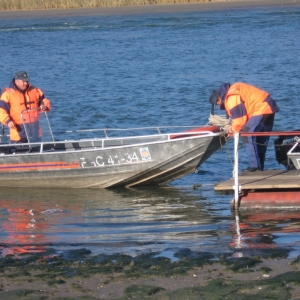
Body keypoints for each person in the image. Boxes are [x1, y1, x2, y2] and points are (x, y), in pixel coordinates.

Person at [209, 82, 279, 172]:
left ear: (219, 98)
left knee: (247, 133)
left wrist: (232, 129)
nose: (218, 105)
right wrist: (234, 125)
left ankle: (254, 166)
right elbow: (243, 115)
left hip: (262, 107)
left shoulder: (231, 98)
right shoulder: (233, 91)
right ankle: (259, 166)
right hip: (269, 105)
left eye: (217, 103)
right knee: (260, 139)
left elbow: (240, 121)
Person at [0, 71, 51, 143]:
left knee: (38, 150)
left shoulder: (35, 91)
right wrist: (7, 121)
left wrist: (44, 106)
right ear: (17, 82)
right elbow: (1, 111)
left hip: (35, 131)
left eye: (27, 81)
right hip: (18, 132)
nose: (26, 83)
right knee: (19, 151)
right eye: (23, 81)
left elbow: (44, 100)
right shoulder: (7, 94)